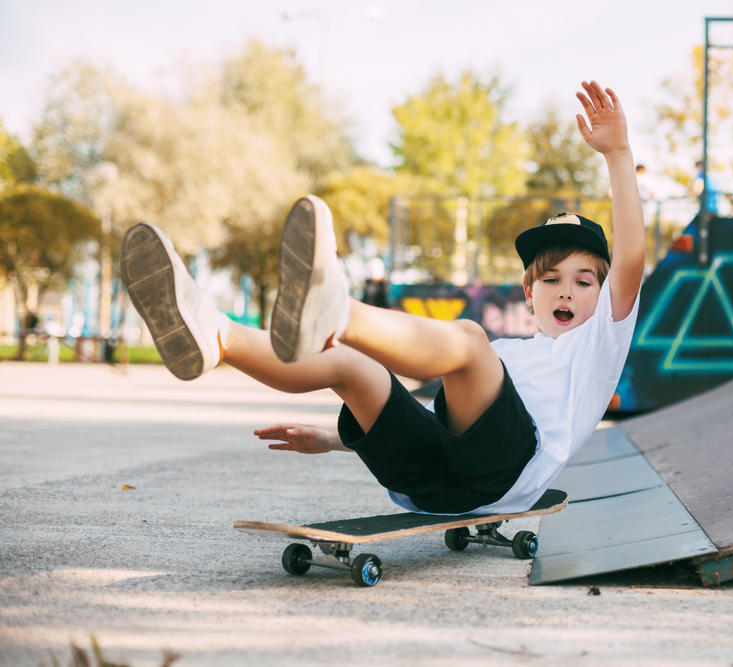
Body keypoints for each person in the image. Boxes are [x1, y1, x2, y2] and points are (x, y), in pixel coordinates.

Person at [119, 80, 645, 515]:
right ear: (530, 293)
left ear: (605, 295)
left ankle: (337, 311)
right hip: (432, 486)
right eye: (551, 280)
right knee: (353, 370)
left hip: (504, 474)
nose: (567, 292)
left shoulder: (601, 343)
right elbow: (443, 427)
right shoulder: (509, 355)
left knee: (467, 339)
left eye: (583, 281)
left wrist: (618, 154)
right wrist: (336, 440)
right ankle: (217, 338)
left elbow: (630, 260)